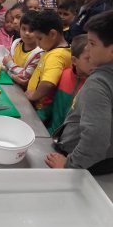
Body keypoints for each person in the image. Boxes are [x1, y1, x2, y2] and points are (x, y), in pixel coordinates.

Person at [46, 10, 113, 175]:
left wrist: (69, 165)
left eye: (92, 43)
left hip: (85, 165)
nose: (88, 50)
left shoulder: (98, 84)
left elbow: (96, 140)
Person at [38, 34, 93, 134]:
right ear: (74, 61)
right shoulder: (64, 74)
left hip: (71, 143)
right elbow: (49, 102)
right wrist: (38, 119)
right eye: (88, 59)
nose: (94, 62)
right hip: (50, 133)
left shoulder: (94, 86)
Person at [25, 11, 71, 111]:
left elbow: (48, 83)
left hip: (40, 109)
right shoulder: (53, 50)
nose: (37, 44)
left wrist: (34, 96)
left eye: (40, 38)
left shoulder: (56, 56)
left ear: (52, 34)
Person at [2, 11, 42, 87]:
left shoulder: (39, 53)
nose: (27, 33)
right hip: (11, 84)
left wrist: (10, 64)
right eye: (24, 29)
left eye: (31, 30)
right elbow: (5, 67)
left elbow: (25, 76)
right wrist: (13, 76)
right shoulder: (16, 44)